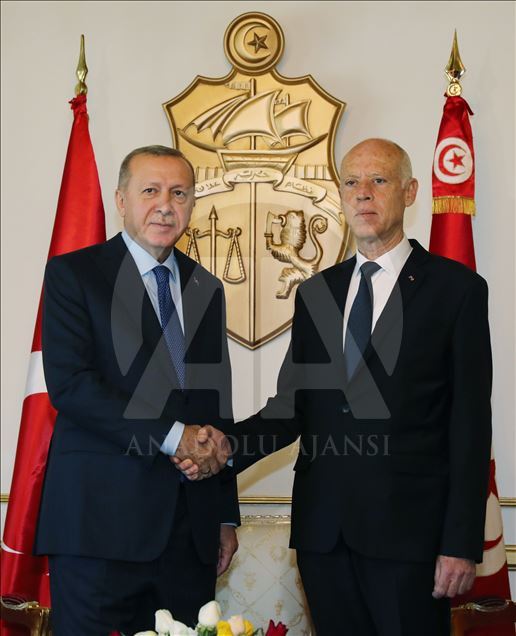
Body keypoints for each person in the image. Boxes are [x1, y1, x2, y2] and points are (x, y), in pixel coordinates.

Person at [177, 139, 492, 635]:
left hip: (412, 539)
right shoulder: (317, 292)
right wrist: (224, 446)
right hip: (324, 537)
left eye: (378, 180)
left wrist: (460, 543)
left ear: (410, 191)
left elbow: (470, 425)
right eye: (351, 182)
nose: (363, 193)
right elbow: (291, 408)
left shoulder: (456, 290)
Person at [34, 145, 238, 635]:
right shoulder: (74, 275)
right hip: (98, 530)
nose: (165, 205)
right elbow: (73, 386)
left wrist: (223, 515)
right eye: (151, 191)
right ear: (122, 200)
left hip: (188, 536)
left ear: (192, 205)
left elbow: (215, 407)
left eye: (179, 193)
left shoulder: (206, 288)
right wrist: (173, 436)